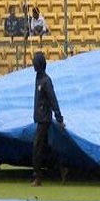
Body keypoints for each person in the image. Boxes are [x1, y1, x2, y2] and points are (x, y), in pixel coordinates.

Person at [31, 52, 65, 186]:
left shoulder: (46, 81)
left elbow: (53, 99)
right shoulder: (38, 78)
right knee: (45, 148)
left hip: (44, 119)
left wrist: (59, 118)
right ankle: (62, 167)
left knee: (36, 147)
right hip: (39, 118)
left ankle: (38, 176)